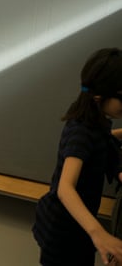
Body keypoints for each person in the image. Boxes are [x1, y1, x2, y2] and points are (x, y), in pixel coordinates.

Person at [32, 48, 122, 266]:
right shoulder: (81, 131)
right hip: (64, 233)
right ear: (100, 97)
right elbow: (65, 188)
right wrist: (98, 234)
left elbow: (101, 140)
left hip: (77, 230)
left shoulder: (94, 121)